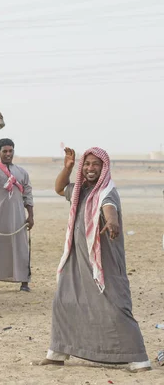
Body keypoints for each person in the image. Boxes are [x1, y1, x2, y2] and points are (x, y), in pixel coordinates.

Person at [39, 147, 151, 372]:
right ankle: (58, 351)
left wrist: (112, 221)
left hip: (103, 261)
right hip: (76, 258)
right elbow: (59, 188)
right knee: (64, 300)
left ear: (103, 168)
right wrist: (68, 167)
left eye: (95, 165)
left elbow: (109, 207)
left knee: (115, 306)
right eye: (87, 164)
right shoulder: (80, 190)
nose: (90, 169)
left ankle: (138, 358)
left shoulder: (107, 191)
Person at [0, 138, 34, 292]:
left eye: (10, 151)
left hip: (17, 217)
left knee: (20, 247)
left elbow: (28, 195)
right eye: (5, 151)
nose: (8, 154)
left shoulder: (22, 173)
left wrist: (30, 216)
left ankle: (24, 282)